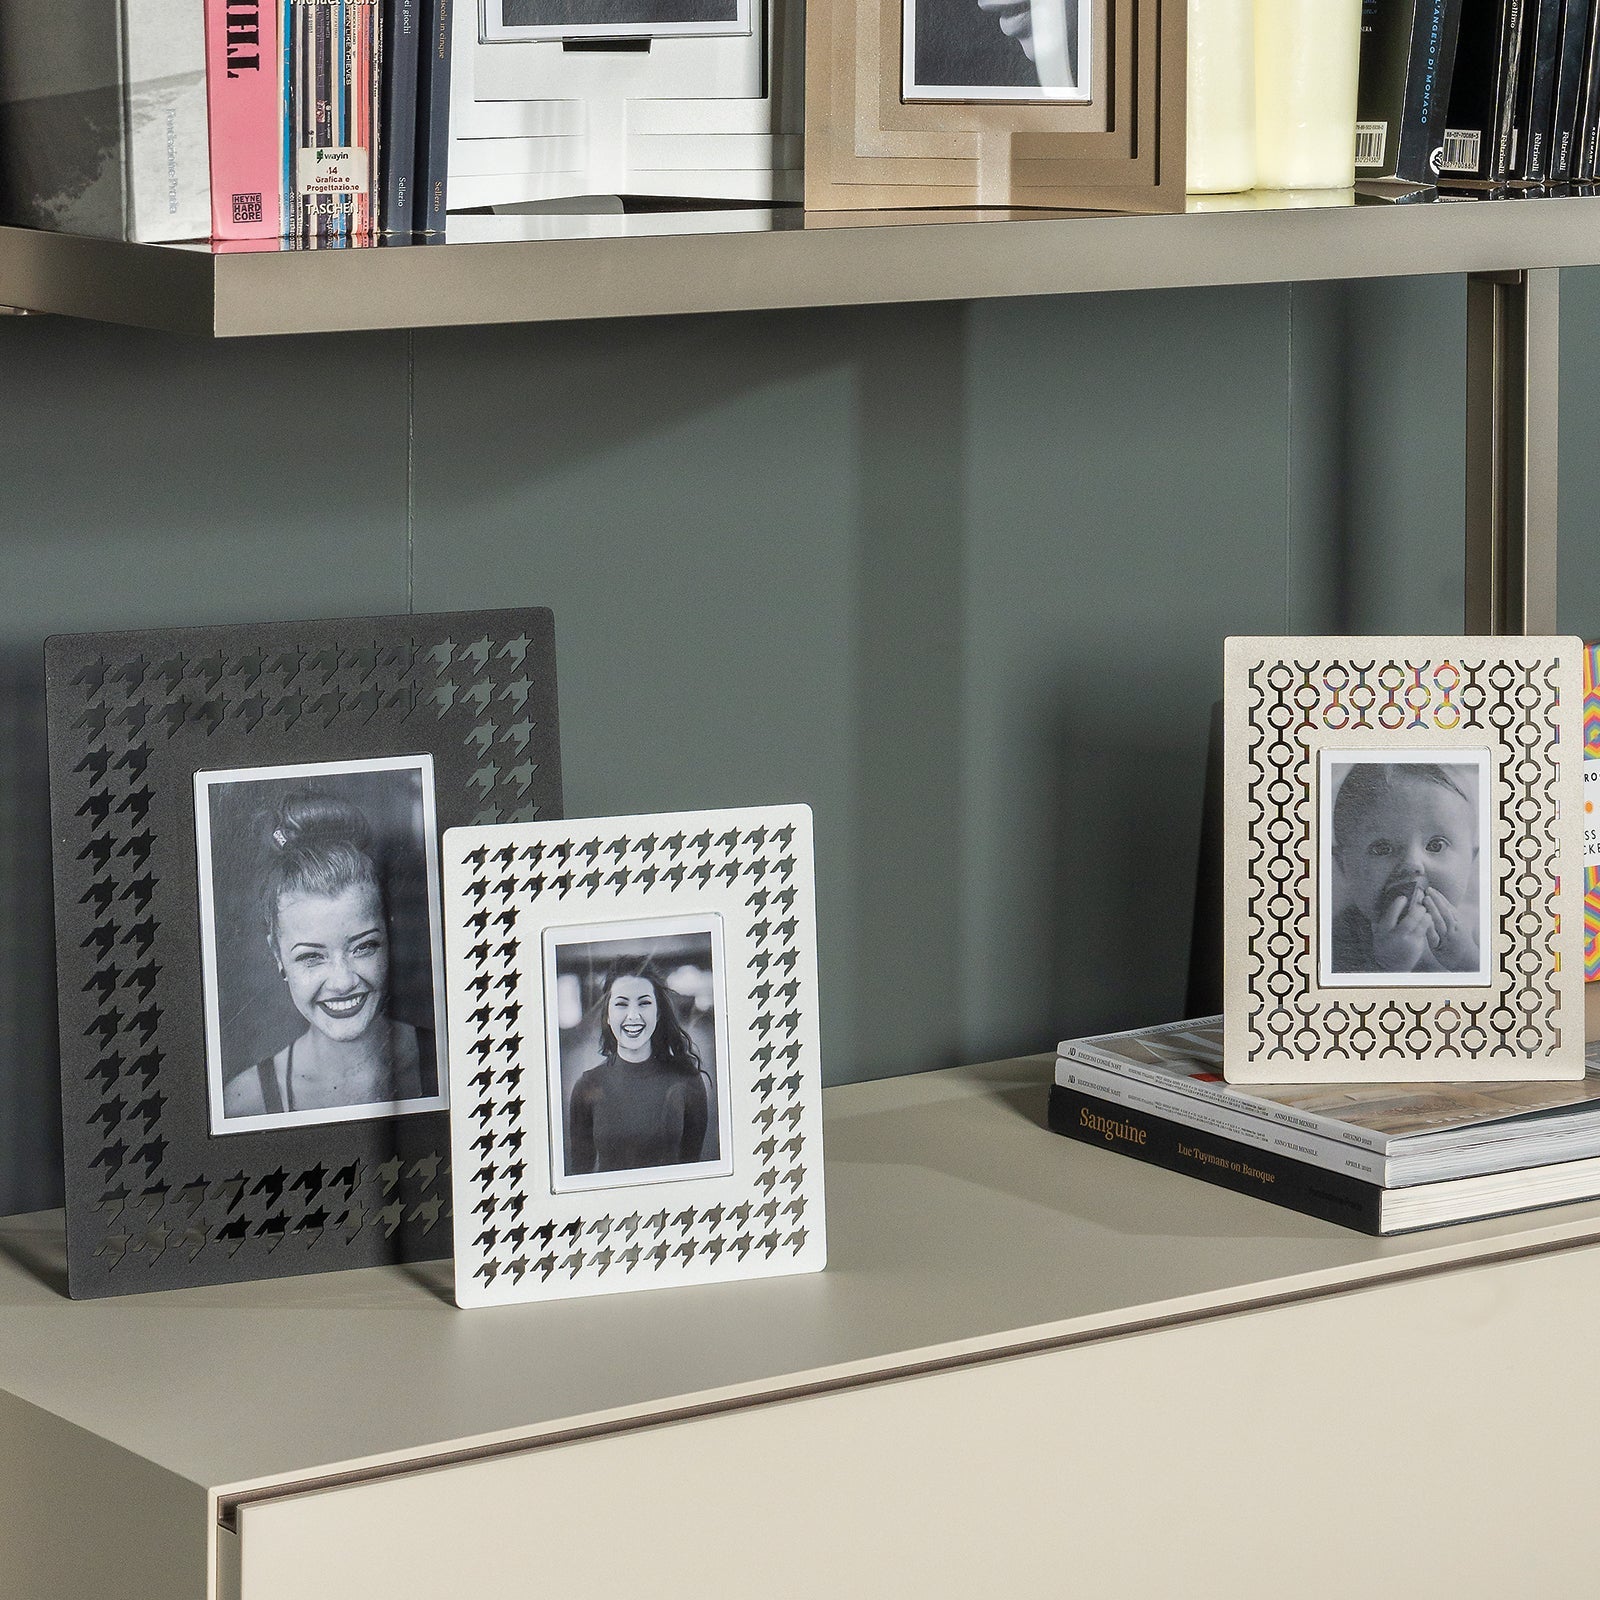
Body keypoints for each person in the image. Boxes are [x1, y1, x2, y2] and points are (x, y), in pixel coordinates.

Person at [224, 790, 434, 1119]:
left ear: (389, 935)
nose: (342, 982)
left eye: (364, 947)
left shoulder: (453, 1062)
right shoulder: (244, 1103)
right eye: (311, 957)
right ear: (277, 954)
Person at [1329, 763, 1481, 977]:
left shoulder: (1480, 927)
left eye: (1435, 845)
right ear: (1343, 865)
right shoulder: (1342, 937)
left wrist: (1466, 959)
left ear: (1471, 860)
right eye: (1382, 848)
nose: (1412, 864)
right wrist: (1389, 967)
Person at [565, 962, 713, 1175]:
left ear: (658, 1013)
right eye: (621, 1004)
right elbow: (580, 1174)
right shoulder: (587, 1086)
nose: (633, 1015)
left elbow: (694, 1171)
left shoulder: (688, 1080)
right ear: (608, 1016)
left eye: (644, 1003)